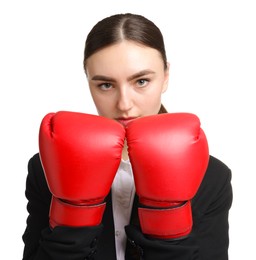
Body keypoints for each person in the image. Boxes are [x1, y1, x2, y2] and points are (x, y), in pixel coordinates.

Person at [22, 13, 233, 260]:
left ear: (165, 76)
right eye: (105, 85)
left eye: (141, 81)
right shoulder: (48, 168)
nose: (124, 104)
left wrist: (166, 228)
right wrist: (72, 221)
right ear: (88, 82)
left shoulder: (210, 176)